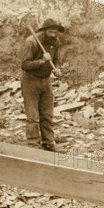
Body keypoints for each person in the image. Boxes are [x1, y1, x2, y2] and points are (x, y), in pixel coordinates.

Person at [20, 18, 65, 152]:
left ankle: (48, 142)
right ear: (44, 31)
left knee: (47, 114)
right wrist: (41, 61)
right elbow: (25, 65)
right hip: (30, 81)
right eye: (50, 32)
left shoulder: (55, 42)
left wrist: (57, 68)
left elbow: (56, 60)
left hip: (46, 80)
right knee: (33, 116)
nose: (53, 35)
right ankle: (33, 145)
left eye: (55, 32)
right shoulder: (31, 42)